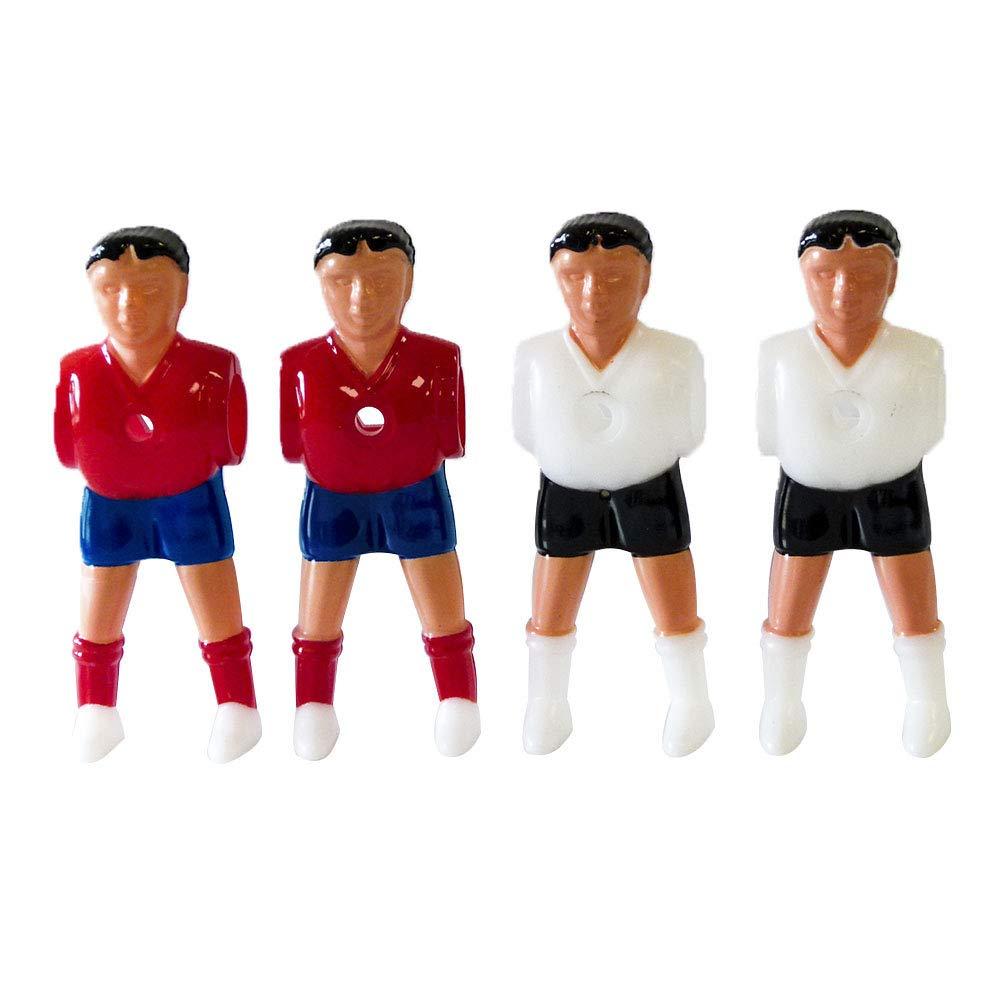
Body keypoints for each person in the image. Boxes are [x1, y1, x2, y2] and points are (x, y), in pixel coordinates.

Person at [55, 226, 261, 763]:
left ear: (182, 291)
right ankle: (95, 708)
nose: (129, 306)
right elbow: (68, 448)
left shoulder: (213, 369)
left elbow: (232, 443)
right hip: (109, 506)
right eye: (111, 289)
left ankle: (237, 704)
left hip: (191, 501)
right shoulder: (77, 371)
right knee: (99, 611)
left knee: (216, 606)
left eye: (150, 290)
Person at [513, 212, 714, 755]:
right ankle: (546, 701)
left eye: (615, 278)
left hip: (650, 487)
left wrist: (635, 452)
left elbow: (690, 432)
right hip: (565, 489)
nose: (593, 294)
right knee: (551, 606)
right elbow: (528, 431)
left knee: (674, 603)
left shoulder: (676, 355)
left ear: (645, 281)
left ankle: (691, 699)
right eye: (574, 277)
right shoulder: (537, 357)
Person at [281, 220, 480, 760]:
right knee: (318, 611)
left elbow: (452, 439)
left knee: (442, 605)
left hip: (417, 495)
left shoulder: (439, 361)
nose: (360, 298)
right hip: (332, 498)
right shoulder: (300, 366)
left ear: (409, 282)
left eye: (381, 281)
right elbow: (294, 445)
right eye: (341, 281)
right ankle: (312, 705)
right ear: (321, 285)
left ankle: (458, 698)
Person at [757, 209, 950, 756]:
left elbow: (929, 428)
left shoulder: (920, 353)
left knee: (913, 602)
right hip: (807, 487)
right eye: (825, 274)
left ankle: (928, 699)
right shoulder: (781, 355)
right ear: (805, 276)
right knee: (789, 602)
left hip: (893, 487)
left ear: (892, 278)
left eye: (865, 275)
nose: (844, 291)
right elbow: (770, 433)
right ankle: (782, 700)